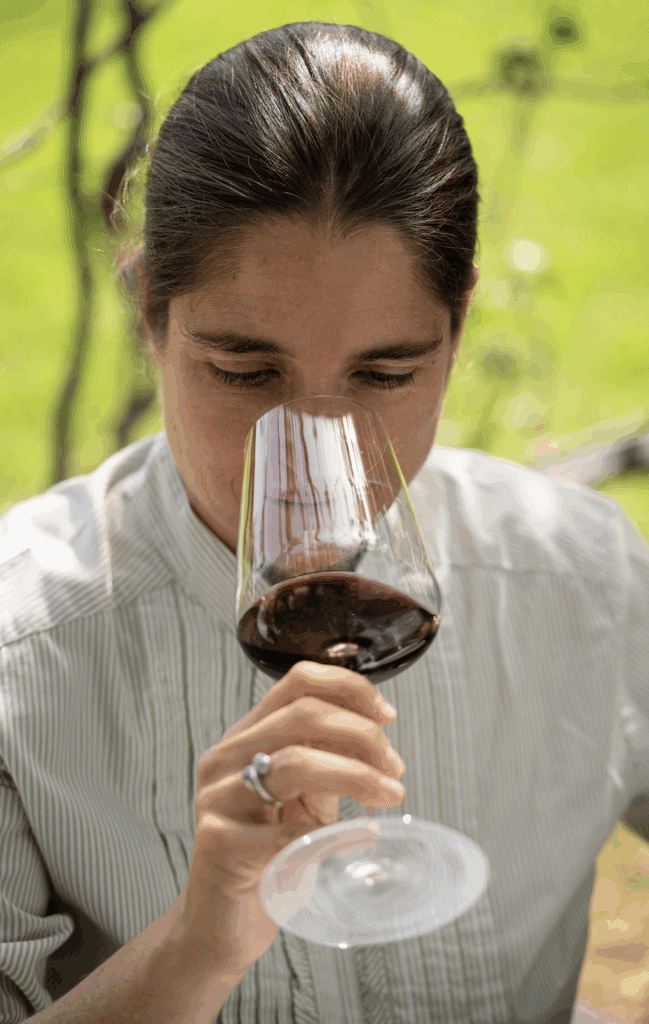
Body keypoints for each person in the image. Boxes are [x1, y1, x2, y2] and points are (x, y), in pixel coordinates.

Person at [0, 20, 647, 1024]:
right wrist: (197, 944)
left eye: (383, 375)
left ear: (456, 329)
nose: (316, 464)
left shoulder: (585, 581)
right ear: (148, 313)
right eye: (246, 372)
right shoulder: (20, 652)